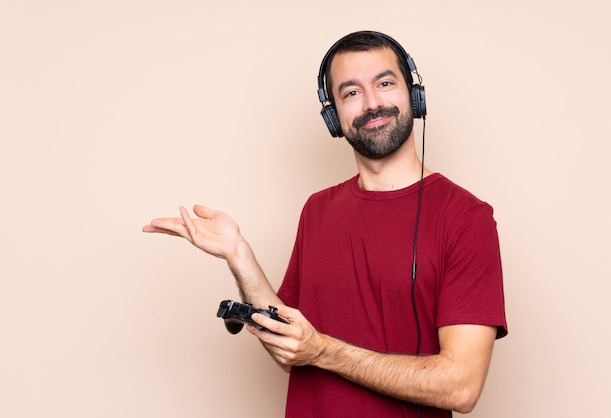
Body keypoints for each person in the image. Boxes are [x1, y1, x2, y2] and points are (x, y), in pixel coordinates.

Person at [143, 31, 507, 418]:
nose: (372, 103)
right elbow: (292, 352)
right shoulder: (317, 209)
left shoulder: (466, 217)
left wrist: (324, 351)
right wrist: (238, 255)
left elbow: (461, 386)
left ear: (414, 95)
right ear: (333, 115)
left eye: (385, 83)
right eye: (351, 93)